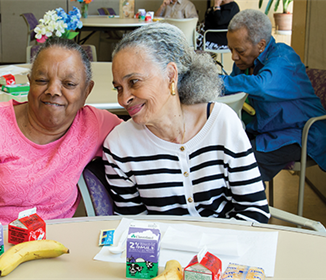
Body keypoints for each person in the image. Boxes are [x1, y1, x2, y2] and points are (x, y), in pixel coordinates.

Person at [0, 38, 122, 238]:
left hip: (40, 255)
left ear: (86, 91)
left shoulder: (93, 125)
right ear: (29, 82)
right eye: (42, 80)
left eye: (69, 84)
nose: (53, 90)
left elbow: (146, 133)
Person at [103, 23, 270, 223]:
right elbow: (132, 226)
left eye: (134, 82)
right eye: (118, 88)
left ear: (171, 76)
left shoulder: (222, 123)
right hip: (162, 251)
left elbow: (255, 212)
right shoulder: (119, 145)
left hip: (227, 247)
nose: (123, 100)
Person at [222, 9, 326, 182]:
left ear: (261, 44)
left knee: (246, 162)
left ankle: (252, 207)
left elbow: (261, 85)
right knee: (223, 150)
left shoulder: (283, 57)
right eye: (231, 50)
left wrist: (217, 81)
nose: (234, 57)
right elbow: (234, 90)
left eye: (240, 50)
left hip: (302, 132)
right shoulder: (245, 61)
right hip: (269, 128)